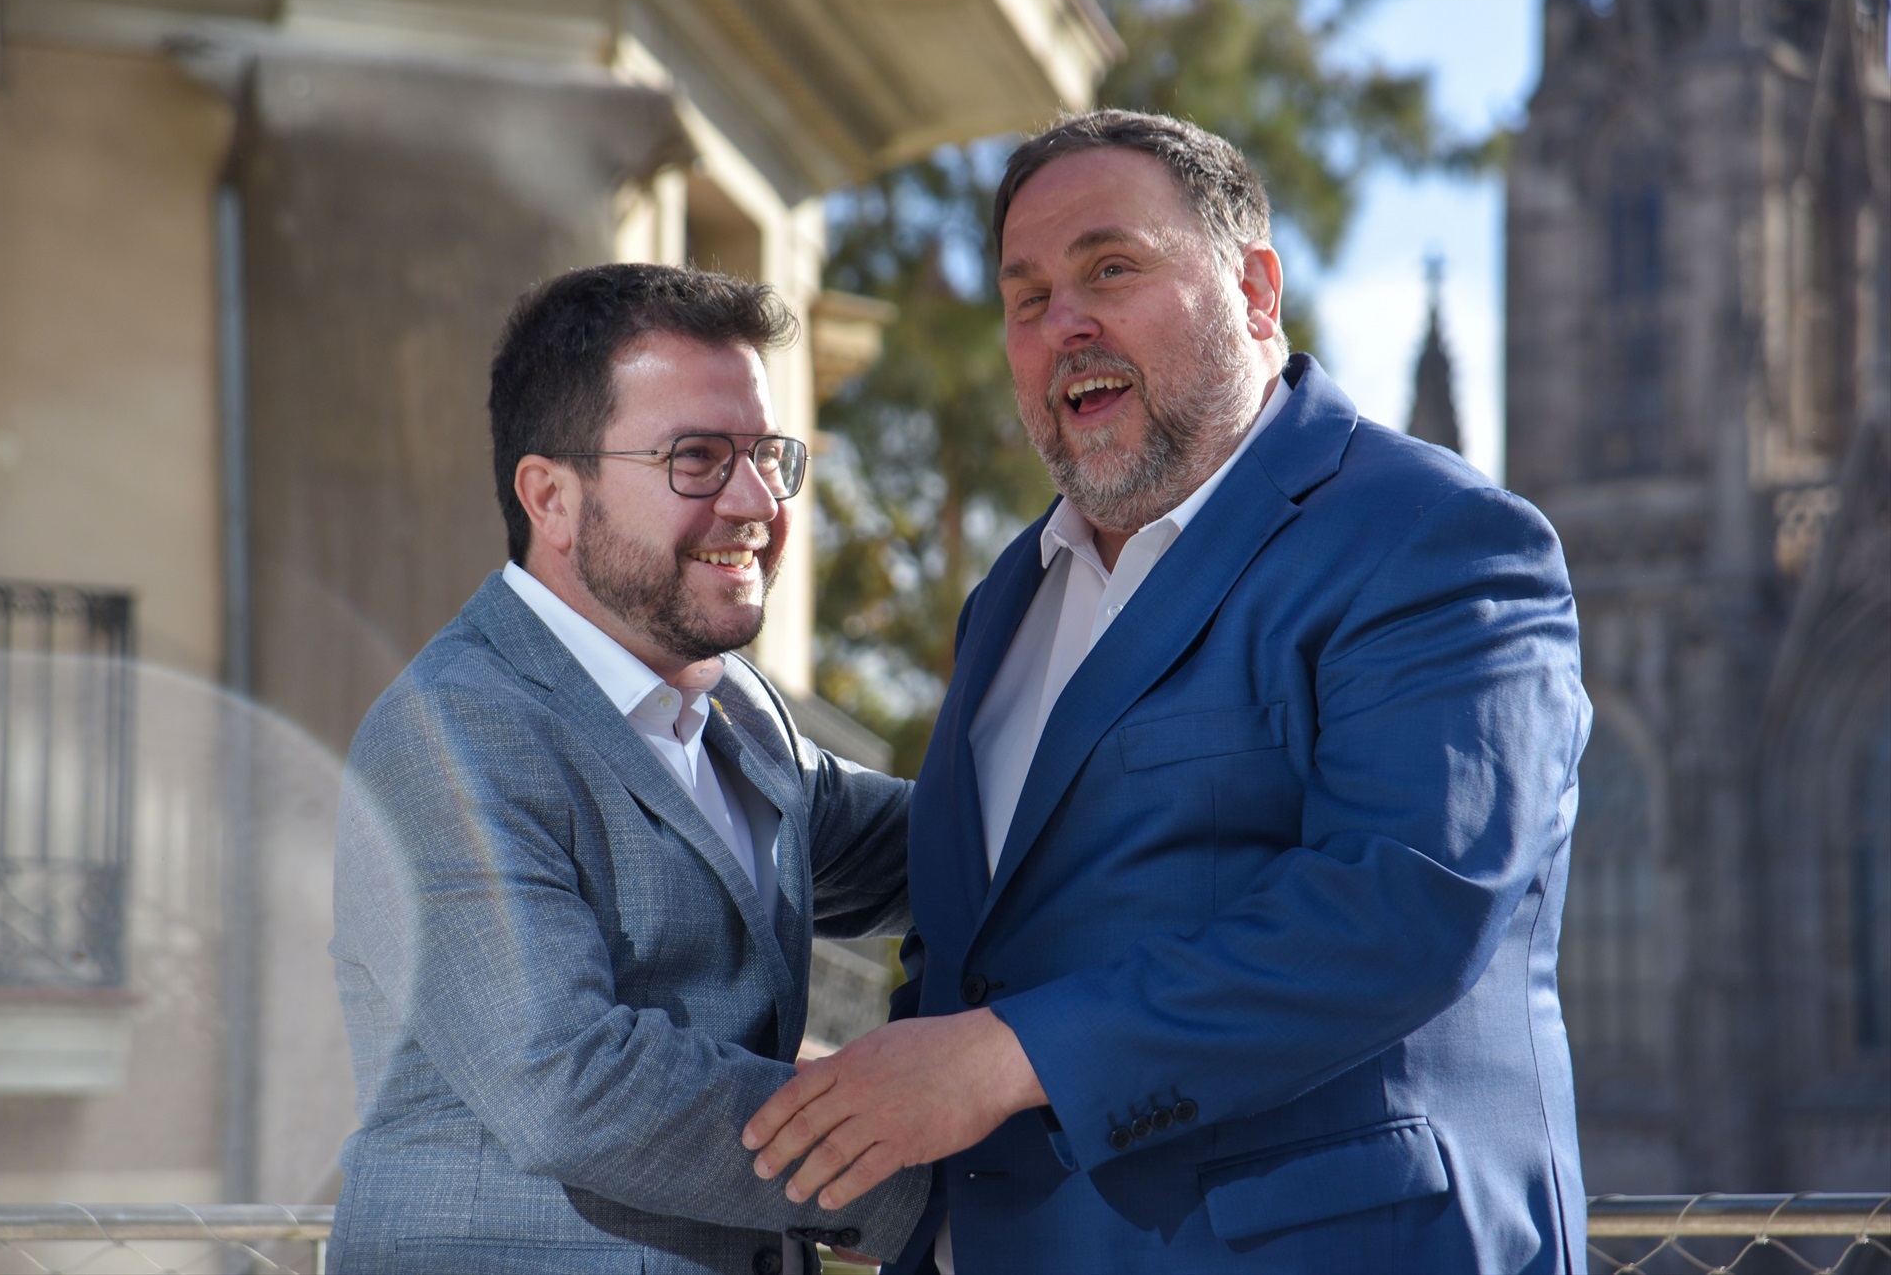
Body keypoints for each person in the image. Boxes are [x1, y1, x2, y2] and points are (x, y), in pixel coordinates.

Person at [742, 110, 1591, 1273]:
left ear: (1254, 291)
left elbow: (1399, 911)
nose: (1065, 322)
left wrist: (1003, 1058)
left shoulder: (1436, 539)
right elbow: (969, 951)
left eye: (1111, 268)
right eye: (1027, 296)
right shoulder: (1008, 598)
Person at [330, 264, 929, 1275]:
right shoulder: (451, 732)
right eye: (697, 458)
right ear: (552, 498)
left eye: (767, 455)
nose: (757, 501)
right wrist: (932, 1175)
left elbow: (945, 848)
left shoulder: (738, 712)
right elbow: (572, 1083)